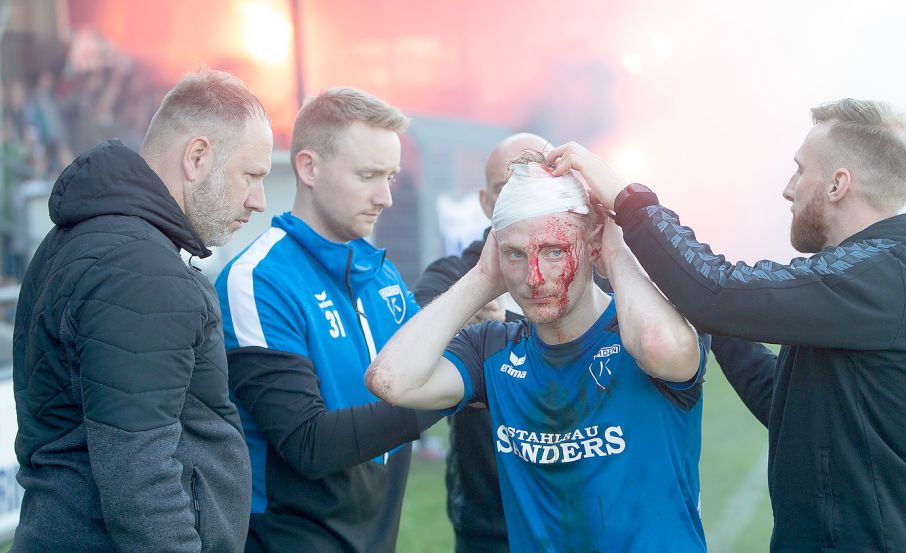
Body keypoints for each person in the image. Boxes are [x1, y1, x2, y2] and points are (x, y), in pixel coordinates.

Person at [546, 98, 906, 552]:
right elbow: (789, 405)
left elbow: (716, 289)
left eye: (799, 170)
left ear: (837, 184)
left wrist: (625, 198)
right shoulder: (896, 272)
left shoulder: (882, 274)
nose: (789, 189)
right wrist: (698, 306)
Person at [367, 153, 708, 553]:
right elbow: (391, 379)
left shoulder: (646, 326)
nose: (534, 278)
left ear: (593, 241)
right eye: (515, 254)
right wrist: (480, 280)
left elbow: (660, 349)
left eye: (554, 251)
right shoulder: (493, 350)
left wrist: (617, 253)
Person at [11, 68, 272, 553]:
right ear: (197, 157)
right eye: (251, 175)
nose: (258, 200)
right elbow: (140, 480)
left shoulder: (88, 241)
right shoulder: (141, 270)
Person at [216, 87, 441, 553]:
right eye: (368, 176)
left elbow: (437, 355)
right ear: (308, 167)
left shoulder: (380, 272)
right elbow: (309, 445)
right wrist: (453, 391)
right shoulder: (258, 279)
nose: (386, 197)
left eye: (391, 177)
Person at [414, 132, 550, 553]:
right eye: (503, 189)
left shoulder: (589, 274)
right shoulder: (454, 273)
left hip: (581, 510)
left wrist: (507, 324)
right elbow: (410, 338)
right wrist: (459, 316)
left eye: (530, 184)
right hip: (487, 524)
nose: (517, 199)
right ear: (485, 202)